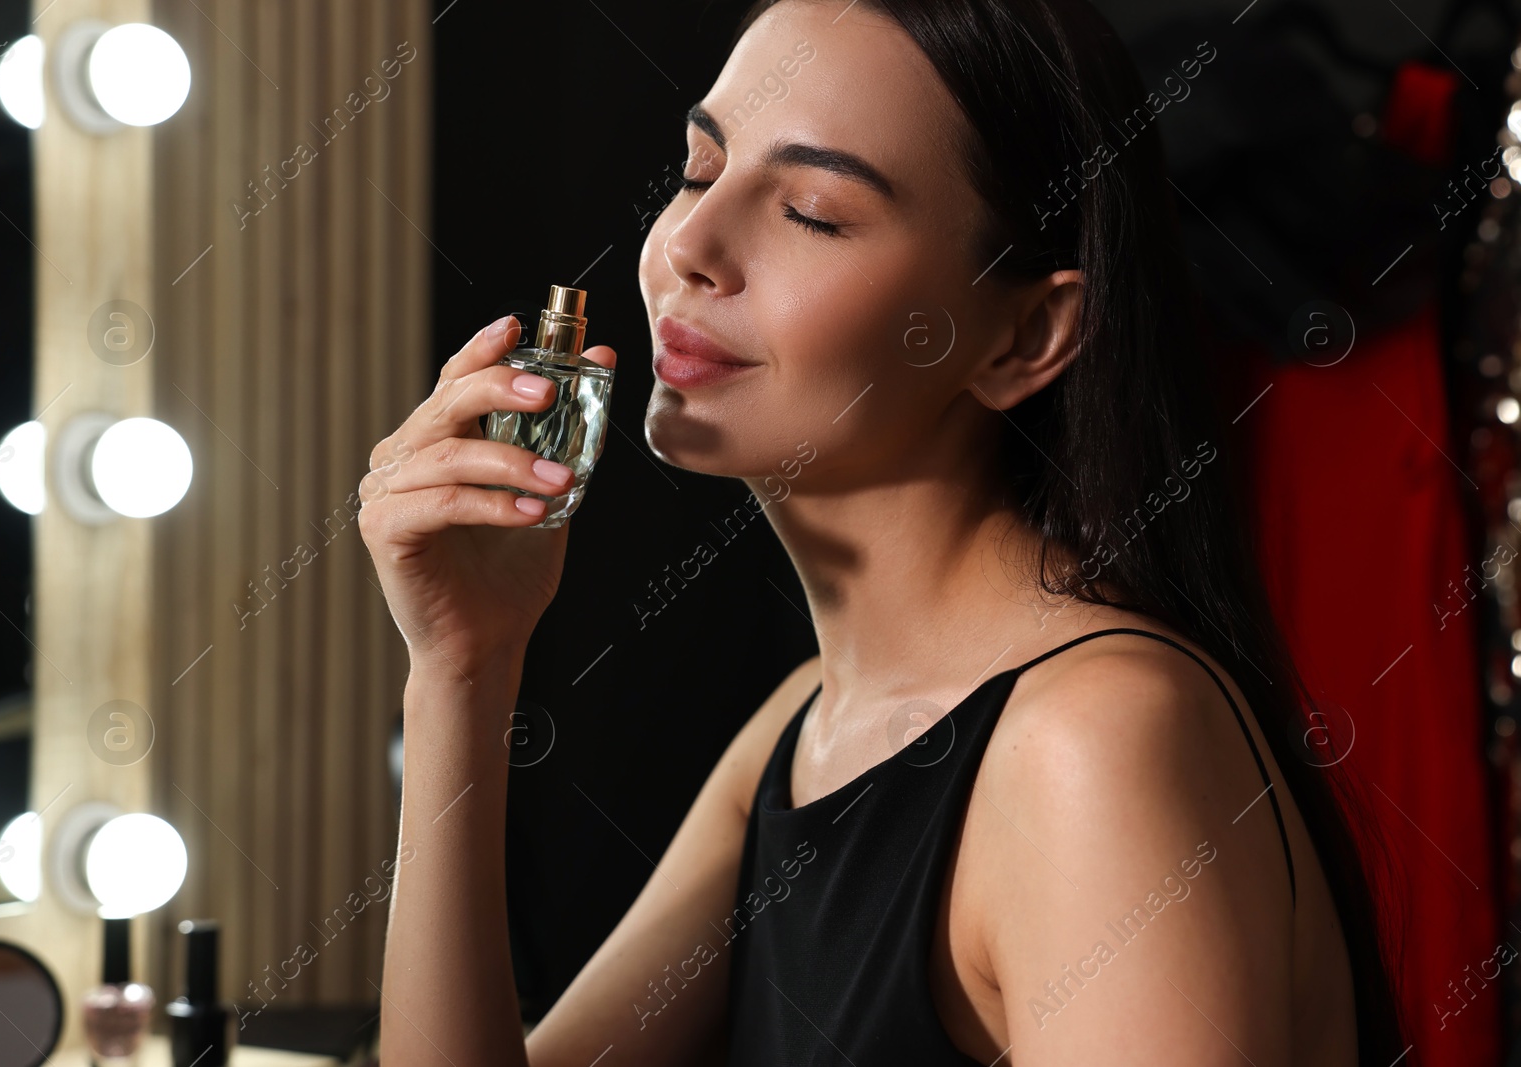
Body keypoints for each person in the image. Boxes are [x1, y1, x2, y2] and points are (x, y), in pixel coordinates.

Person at [362, 0, 1407, 1063]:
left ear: (1025, 334)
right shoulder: (809, 727)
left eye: (810, 210)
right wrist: (461, 667)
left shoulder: (1089, 744)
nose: (690, 245)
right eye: (696, 170)